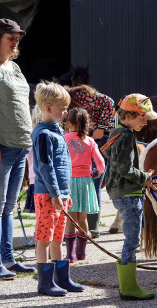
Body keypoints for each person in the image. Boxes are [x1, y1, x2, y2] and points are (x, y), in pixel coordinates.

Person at [0, 18, 37, 279]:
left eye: (18, 35)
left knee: (8, 207)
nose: (16, 39)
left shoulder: (15, 68)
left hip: (20, 146)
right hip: (0, 146)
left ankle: (9, 258)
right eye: (11, 36)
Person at [102, 94, 157, 300]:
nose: (146, 122)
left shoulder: (117, 133)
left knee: (131, 239)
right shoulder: (126, 136)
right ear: (128, 115)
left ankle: (128, 285)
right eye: (142, 117)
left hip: (122, 193)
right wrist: (145, 177)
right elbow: (125, 168)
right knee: (132, 240)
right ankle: (128, 288)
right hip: (129, 195)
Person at [32, 82, 85, 296]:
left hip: (60, 195)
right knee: (44, 239)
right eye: (62, 108)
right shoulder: (44, 134)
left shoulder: (57, 132)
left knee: (58, 238)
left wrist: (66, 193)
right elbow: (46, 168)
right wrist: (55, 193)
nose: (65, 112)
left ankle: (62, 279)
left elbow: (64, 167)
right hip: (47, 195)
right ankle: (44, 283)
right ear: (47, 108)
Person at [68, 85, 115, 239]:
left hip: (100, 136)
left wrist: (101, 127)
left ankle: (91, 228)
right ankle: (85, 229)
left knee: (94, 183)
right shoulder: (70, 102)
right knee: (91, 182)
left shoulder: (80, 97)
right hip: (87, 137)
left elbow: (108, 101)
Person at [64, 108, 105, 263]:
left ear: (68, 124)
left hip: (70, 182)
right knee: (83, 218)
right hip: (86, 182)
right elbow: (100, 162)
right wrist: (98, 172)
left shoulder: (64, 139)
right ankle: (81, 253)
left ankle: (70, 255)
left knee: (71, 220)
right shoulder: (90, 141)